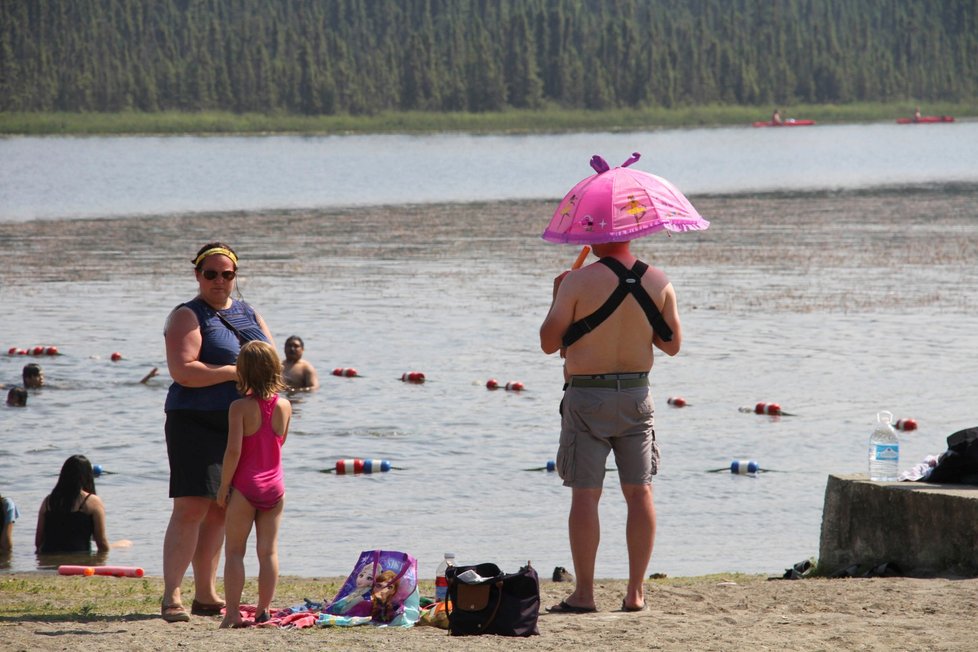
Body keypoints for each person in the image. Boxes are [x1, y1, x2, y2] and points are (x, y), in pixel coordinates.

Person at [539, 239, 682, 614]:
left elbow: (548, 342)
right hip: (636, 395)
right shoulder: (659, 280)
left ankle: (584, 593)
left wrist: (558, 294)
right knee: (640, 492)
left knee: (586, 495)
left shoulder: (577, 281)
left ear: (598, 234)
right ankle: (635, 593)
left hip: (587, 395)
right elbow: (672, 344)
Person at [161, 242, 275, 623]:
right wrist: (233, 372)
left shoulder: (248, 312)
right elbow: (184, 371)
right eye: (210, 273)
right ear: (197, 275)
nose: (219, 281)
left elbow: (271, 364)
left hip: (241, 423)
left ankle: (207, 595)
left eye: (227, 274)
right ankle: (172, 595)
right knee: (191, 506)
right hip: (193, 419)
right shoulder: (186, 316)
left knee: (222, 509)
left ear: (235, 276)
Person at [217, 340, 291, 628]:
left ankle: (233, 614)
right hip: (275, 485)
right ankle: (263, 610)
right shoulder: (284, 405)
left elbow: (233, 451)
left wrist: (224, 486)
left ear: (242, 372)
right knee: (268, 551)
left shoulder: (239, 408)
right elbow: (280, 442)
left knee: (235, 551)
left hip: (246, 487)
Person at [34, 455, 129, 553]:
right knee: (126, 543)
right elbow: (102, 544)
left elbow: (38, 542)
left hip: (48, 560)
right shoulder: (92, 501)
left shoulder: (48, 501)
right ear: (87, 475)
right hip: (80, 561)